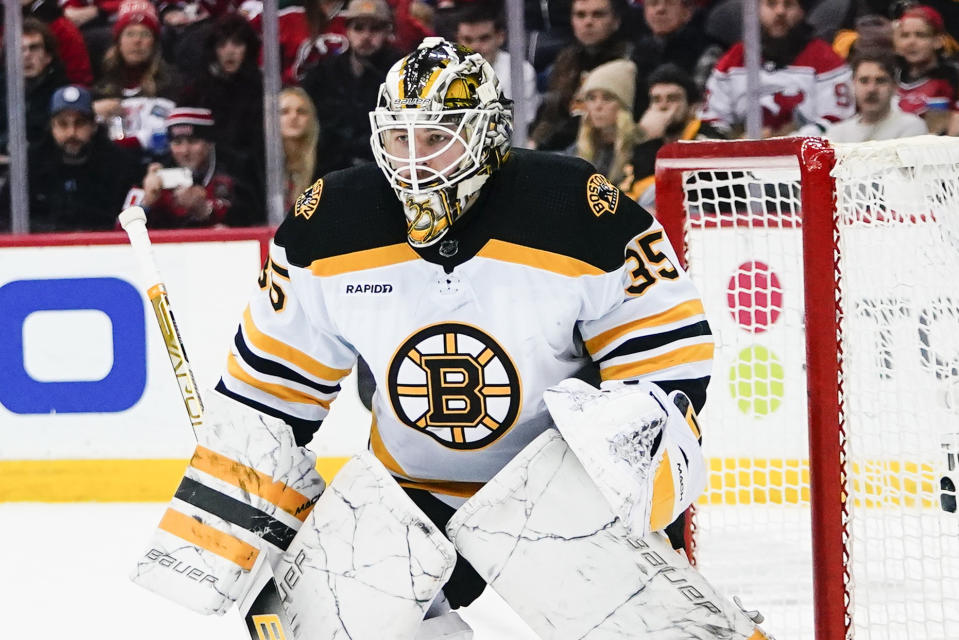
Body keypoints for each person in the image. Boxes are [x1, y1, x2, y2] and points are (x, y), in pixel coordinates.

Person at [213, 37, 720, 630]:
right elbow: (267, 391)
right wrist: (241, 508)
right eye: (399, 138)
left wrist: (631, 464)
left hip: (560, 484)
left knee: (644, 624)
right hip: (409, 491)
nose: (413, 160)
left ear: (486, 135)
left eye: (435, 137)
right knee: (328, 622)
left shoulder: (573, 207)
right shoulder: (330, 222)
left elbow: (668, 347)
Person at [699, 0, 854, 138]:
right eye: (771, 4)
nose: (780, 11)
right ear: (757, 9)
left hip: (805, 161)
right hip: (743, 160)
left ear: (801, 11)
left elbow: (836, 122)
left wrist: (783, 142)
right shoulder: (733, 60)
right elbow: (712, 121)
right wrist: (738, 144)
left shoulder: (825, 59)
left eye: (788, 4)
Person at [0, 85, 141, 232]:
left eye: (79, 123)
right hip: (42, 249)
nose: (71, 133)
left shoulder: (117, 162)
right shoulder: (29, 164)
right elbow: (6, 217)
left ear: (93, 125)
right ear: (52, 127)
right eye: (62, 124)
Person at [300, 0, 402, 174]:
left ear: (387, 31)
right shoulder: (324, 72)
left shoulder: (401, 72)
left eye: (375, 29)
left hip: (383, 170)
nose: (366, 36)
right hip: (331, 169)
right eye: (359, 28)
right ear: (347, 30)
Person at [528, 0, 632, 150]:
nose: (588, 22)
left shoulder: (626, 60)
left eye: (598, 15)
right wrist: (534, 141)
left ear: (616, 21)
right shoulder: (566, 59)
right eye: (580, 15)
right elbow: (551, 114)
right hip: (557, 147)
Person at [135, 107, 263, 227]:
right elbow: (120, 235)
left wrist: (205, 209)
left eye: (193, 142)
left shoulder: (236, 169)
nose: (185, 151)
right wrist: (147, 202)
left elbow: (256, 220)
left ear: (209, 143)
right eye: (177, 143)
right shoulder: (156, 172)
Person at [624, 63, 726, 210]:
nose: (663, 106)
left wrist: (651, 141)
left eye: (672, 99)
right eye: (656, 100)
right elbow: (632, 191)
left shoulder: (708, 141)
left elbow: (670, 193)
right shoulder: (645, 140)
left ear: (692, 107)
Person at [178, 13, 265, 159]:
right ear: (213, 50)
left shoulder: (262, 88)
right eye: (222, 44)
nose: (229, 51)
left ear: (248, 48)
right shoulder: (195, 91)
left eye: (237, 44)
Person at [629, 0, 721, 115]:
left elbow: (699, 99)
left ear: (687, 11)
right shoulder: (637, 51)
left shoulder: (707, 49)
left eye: (670, 3)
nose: (660, 10)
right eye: (653, 3)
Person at [825, 50, 928, 142]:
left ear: (894, 86)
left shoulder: (911, 127)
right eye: (864, 81)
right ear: (853, 85)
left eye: (880, 81)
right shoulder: (837, 134)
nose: (871, 89)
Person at [454, 4, 540, 114]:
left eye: (484, 38)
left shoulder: (521, 72)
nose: (475, 47)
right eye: (467, 40)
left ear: (500, 37)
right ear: (458, 41)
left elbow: (522, 124)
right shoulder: (443, 73)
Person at [0, 18, 69, 152]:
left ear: (48, 56)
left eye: (34, 48)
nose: (27, 55)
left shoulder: (62, 93)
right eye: (20, 49)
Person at [568, 58, 640, 185]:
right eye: (591, 98)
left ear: (623, 105)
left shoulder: (639, 149)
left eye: (607, 98)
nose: (598, 106)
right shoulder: (580, 145)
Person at [892, 4, 959, 134]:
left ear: (938, 40)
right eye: (905, 35)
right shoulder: (888, 78)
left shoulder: (954, 79)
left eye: (920, 35)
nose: (911, 42)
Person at [279, 86, 320, 209]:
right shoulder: (257, 167)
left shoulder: (326, 165)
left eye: (301, 111)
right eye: (284, 112)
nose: (293, 117)